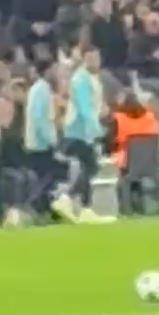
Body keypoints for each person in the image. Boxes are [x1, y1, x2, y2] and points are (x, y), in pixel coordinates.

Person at [58, 41, 104, 214]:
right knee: (91, 166)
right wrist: (95, 128)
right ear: (84, 59)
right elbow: (84, 107)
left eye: (97, 57)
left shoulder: (91, 78)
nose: (94, 60)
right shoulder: (81, 79)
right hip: (79, 130)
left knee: (89, 166)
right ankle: (69, 198)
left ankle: (85, 207)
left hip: (84, 130)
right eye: (90, 57)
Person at [111, 77, 159, 214]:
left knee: (124, 180)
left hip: (129, 161)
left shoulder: (119, 118)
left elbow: (113, 141)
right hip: (151, 162)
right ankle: (147, 206)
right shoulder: (150, 116)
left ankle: (126, 209)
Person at [22, 55, 59, 216]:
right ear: (48, 70)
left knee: (44, 176)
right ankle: (33, 203)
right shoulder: (43, 90)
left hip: (34, 140)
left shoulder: (36, 89)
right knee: (49, 175)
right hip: (41, 143)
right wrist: (51, 139)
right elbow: (41, 118)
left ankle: (44, 210)